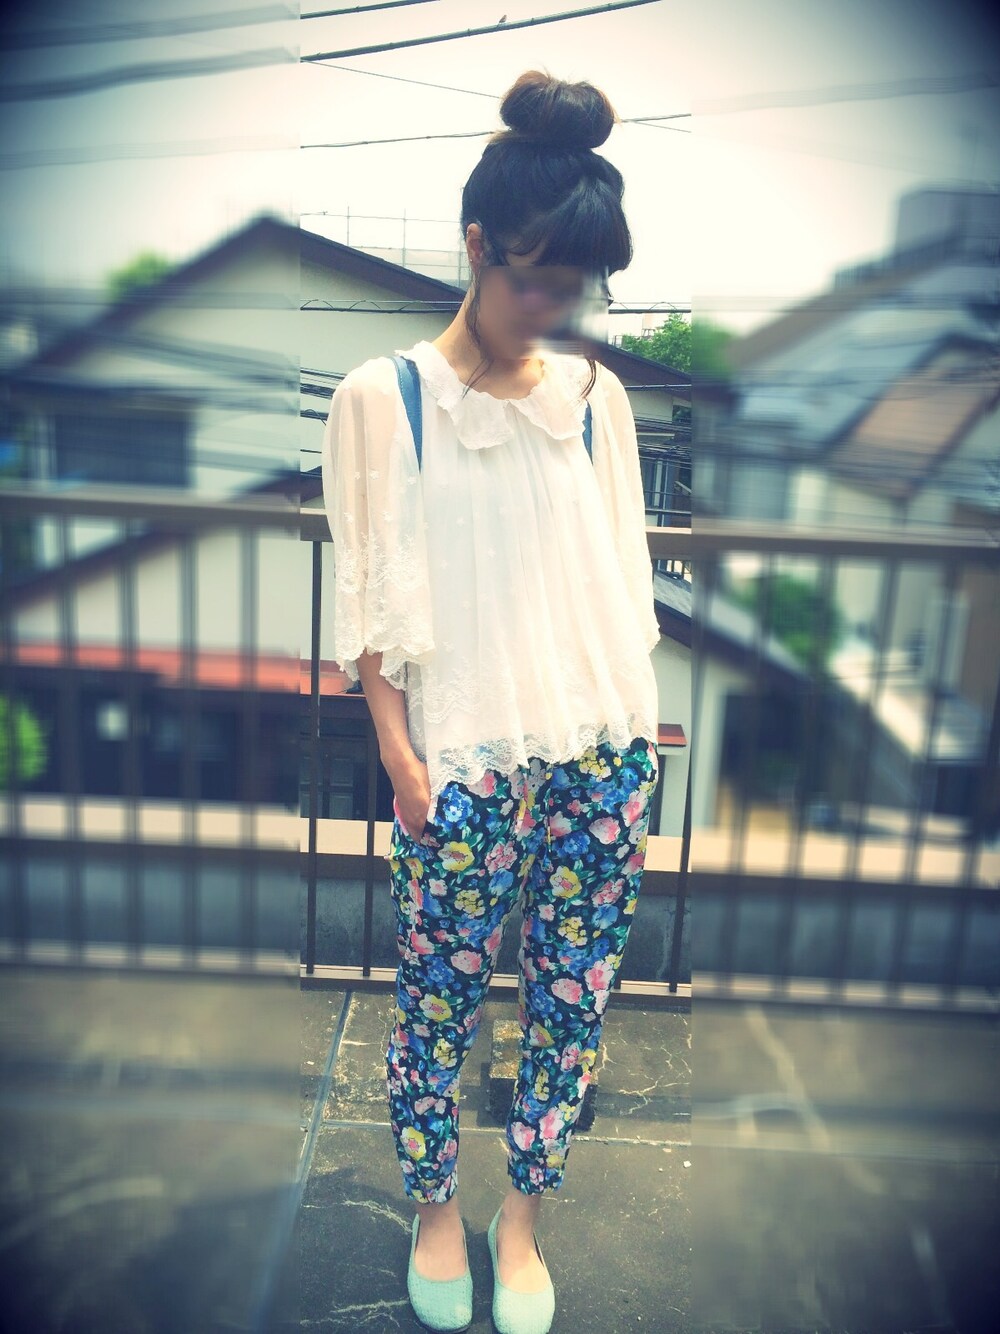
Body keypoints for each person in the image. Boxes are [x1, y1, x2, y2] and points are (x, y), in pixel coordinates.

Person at [322, 68, 660, 1334]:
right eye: (538, 281)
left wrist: (635, 734)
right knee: (435, 1006)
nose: (557, 308)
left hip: (601, 753)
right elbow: (368, 603)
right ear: (477, 246)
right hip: (459, 762)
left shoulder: (599, 400)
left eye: (579, 287)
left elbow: (620, 580)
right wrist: (401, 760)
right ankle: (432, 1208)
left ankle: (521, 1218)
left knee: (572, 1007)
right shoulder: (386, 397)